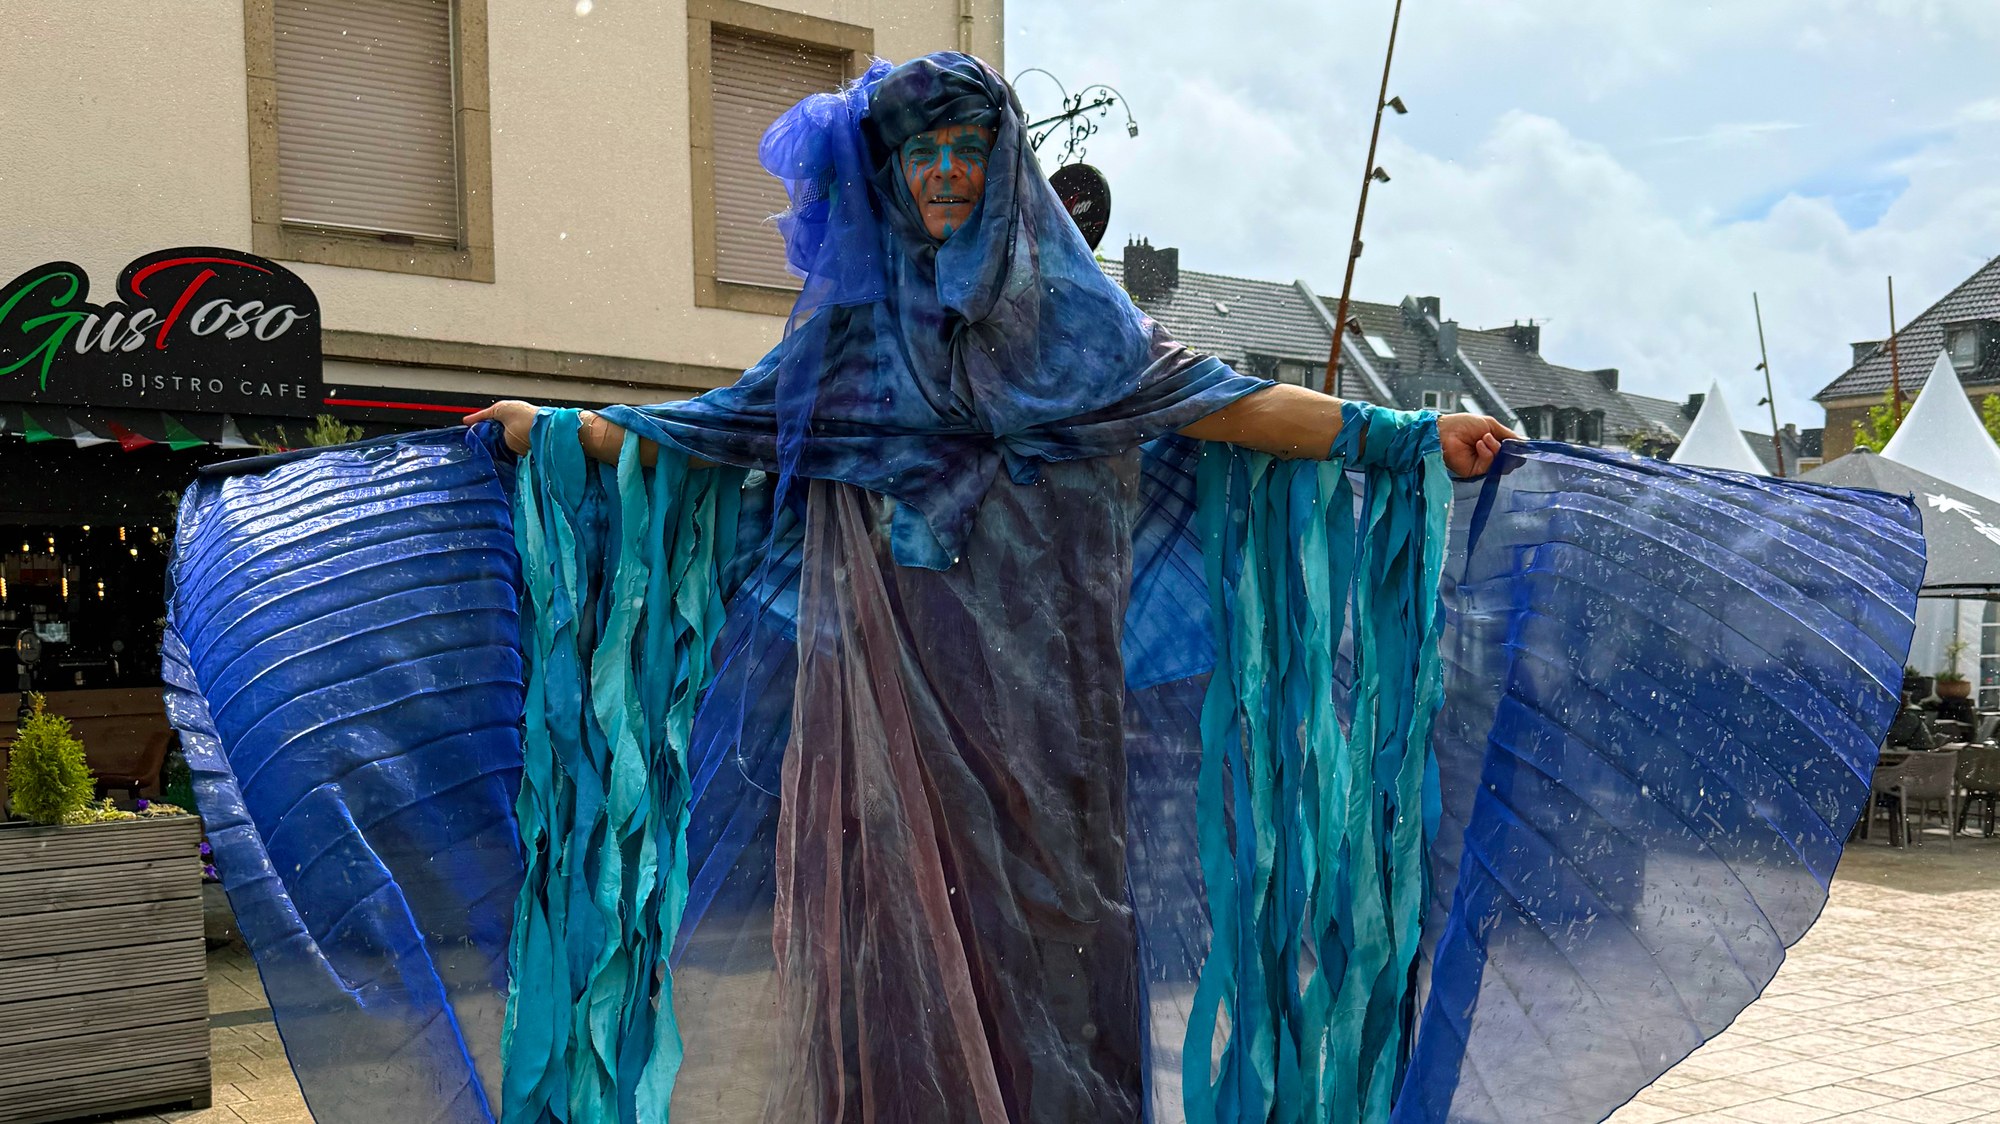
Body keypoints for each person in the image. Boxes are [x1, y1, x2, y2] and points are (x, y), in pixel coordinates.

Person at [466, 51, 1508, 1123]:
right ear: (894, 173)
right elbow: (702, 433)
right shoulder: (852, 343)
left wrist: (1405, 433)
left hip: (1050, 712)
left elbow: (1227, 402)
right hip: (892, 716)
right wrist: (550, 431)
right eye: (923, 152)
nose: (946, 172)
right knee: (897, 945)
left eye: (969, 148)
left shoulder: (1079, 324)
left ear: (1005, 162)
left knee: (1058, 936)